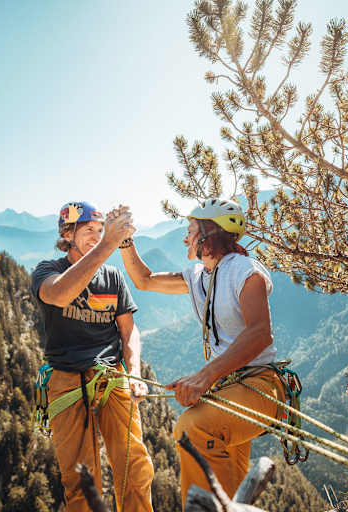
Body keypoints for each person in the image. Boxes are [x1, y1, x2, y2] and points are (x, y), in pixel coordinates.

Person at [117, 198, 285, 508]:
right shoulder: (198, 275)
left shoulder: (247, 272)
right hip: (231, 388)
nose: (185, 237)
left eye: (191, 230)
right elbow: (143, 280)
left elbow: (260, 333)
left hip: (260, 386)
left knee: (192, 428)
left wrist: (204, 376)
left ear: (209, 234)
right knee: (232, 486)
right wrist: (124, 240)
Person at [31, 201, 154, 512]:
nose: (97, 237)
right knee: (80, 479)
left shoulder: (112, 277)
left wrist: (135, 371)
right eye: (89, 231)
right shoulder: (48, 271)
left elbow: (129, 330)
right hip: (67, 377)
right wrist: (110, 242)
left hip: (112, 374)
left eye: (101, 231)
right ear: (67, 234)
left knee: (135, 466)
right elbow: (59, 294)